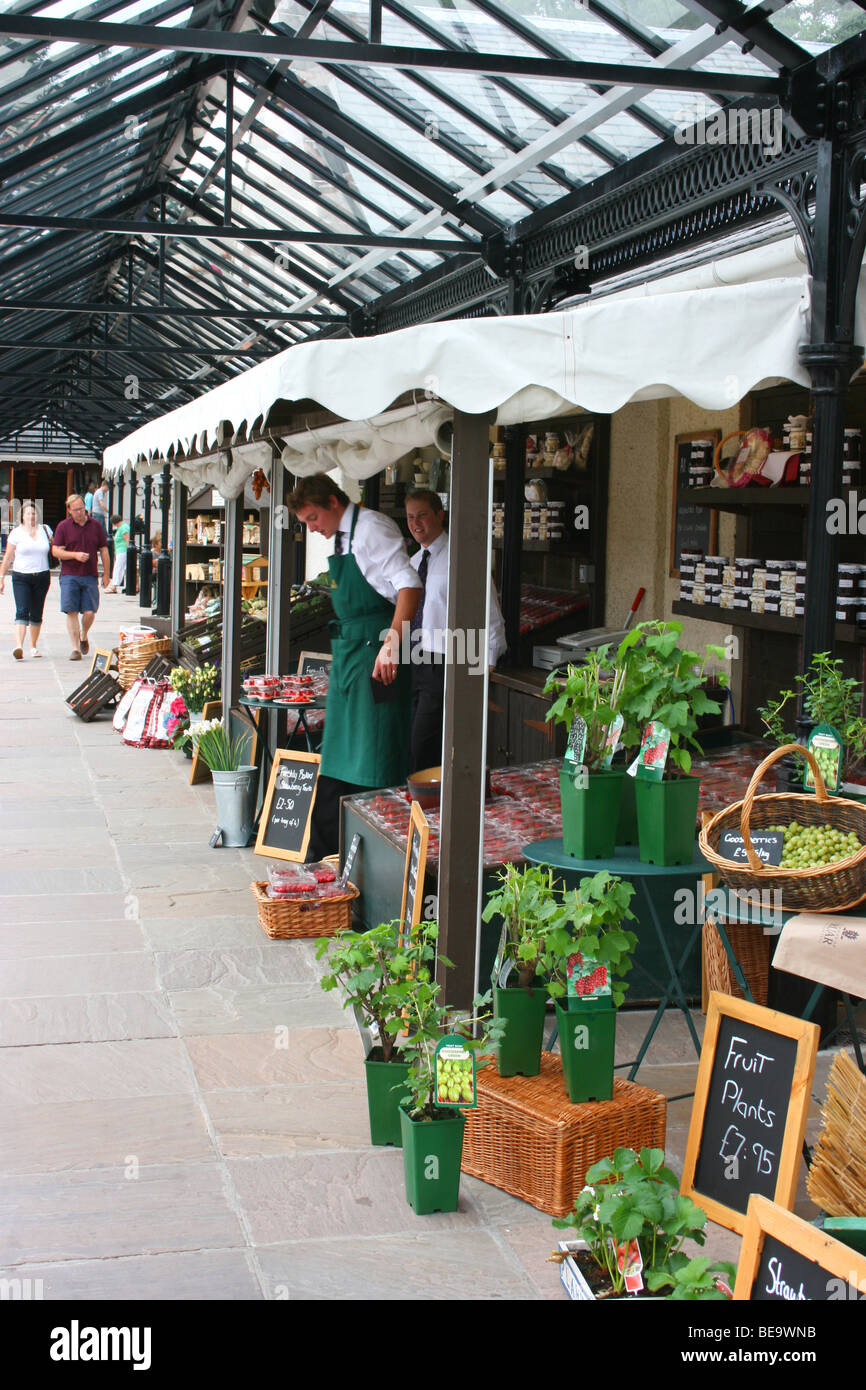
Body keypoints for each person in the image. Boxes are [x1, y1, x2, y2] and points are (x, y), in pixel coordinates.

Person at [289, 473, 420, 859]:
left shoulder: (372, 529)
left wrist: (392, 645)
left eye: (313, 518)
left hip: (376, 657)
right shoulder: (345, 536)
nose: (313, 529)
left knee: (373, 759)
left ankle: (374, 858)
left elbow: (410, 587)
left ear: (333, 502)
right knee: (339, 757)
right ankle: (326, 856)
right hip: (350, 657)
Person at [405, 488, 506, 775]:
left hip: (448, 659)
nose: (415, 523)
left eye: (422, 515)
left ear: (440, 516)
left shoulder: (461, 557)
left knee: (424, 741)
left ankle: (426, 806)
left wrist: (490, 656)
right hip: (414, 658)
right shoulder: (413, 563)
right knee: (414, 739)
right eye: (411, 517)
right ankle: (421, 805)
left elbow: (487, 605)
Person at [51, 494, 110, 660]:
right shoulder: (63, 527)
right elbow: (56, 551)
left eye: (81, 509)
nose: (79, 512)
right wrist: (74, 555)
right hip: (70, 574)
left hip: (90, 574)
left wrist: (106, 574)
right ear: (69, 510)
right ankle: (75, 648)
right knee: (71, 611)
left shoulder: (96, 525)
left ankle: (84, 634)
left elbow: (104, 550)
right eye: (75, 510)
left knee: (90, 612)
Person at [0, 501, 53, 659]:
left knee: (37, 612)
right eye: (28, 513)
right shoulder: (16, 533)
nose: (31, 516)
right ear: (22, 516)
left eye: (34, 513)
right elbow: (8, 556)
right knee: (22, 610)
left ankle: (33, 646)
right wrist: (1, 577)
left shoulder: (45, 530)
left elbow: (56, 547)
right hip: (21, 576)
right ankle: (19, 646)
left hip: (42, 576)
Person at [107, 514, 130, 592]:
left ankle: (114, 585)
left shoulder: (123, 527)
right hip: (120, 551)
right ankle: (123, 585)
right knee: (123, 568)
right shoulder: (122, 527)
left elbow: (127, 539)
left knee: (118, 567)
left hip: (123, 551)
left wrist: (128, 551)